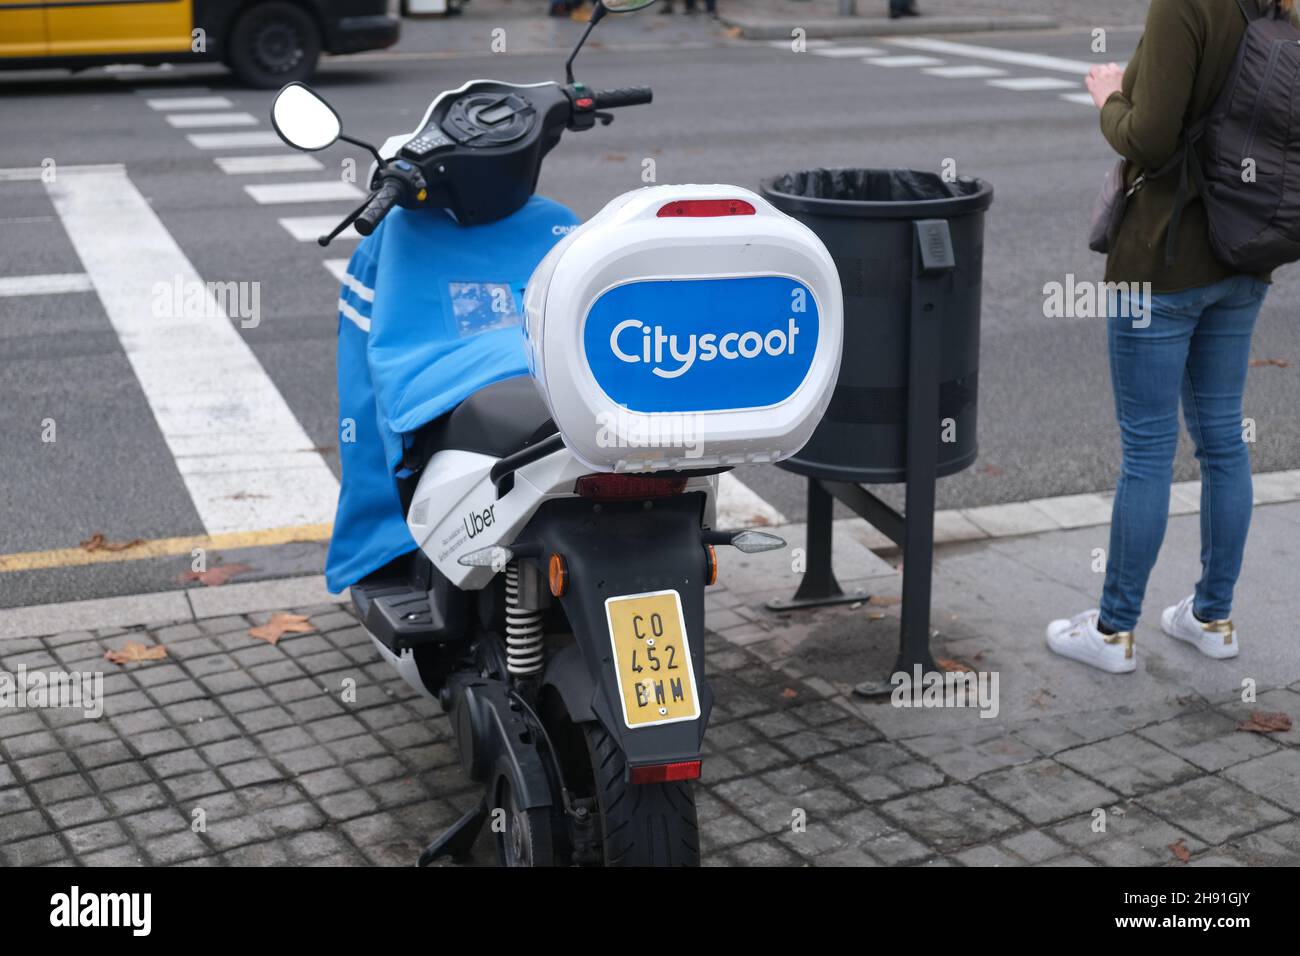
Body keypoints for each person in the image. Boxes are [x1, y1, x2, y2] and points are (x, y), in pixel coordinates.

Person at [1046, 0, 1293, 673]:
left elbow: (1149, 138)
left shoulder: (1185, 3)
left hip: (1163, 258)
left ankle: (1112, 631)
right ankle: (1213, 618)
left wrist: (1110, 98)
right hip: (1245, 252)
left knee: (1148, 450)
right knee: (1222, 438)